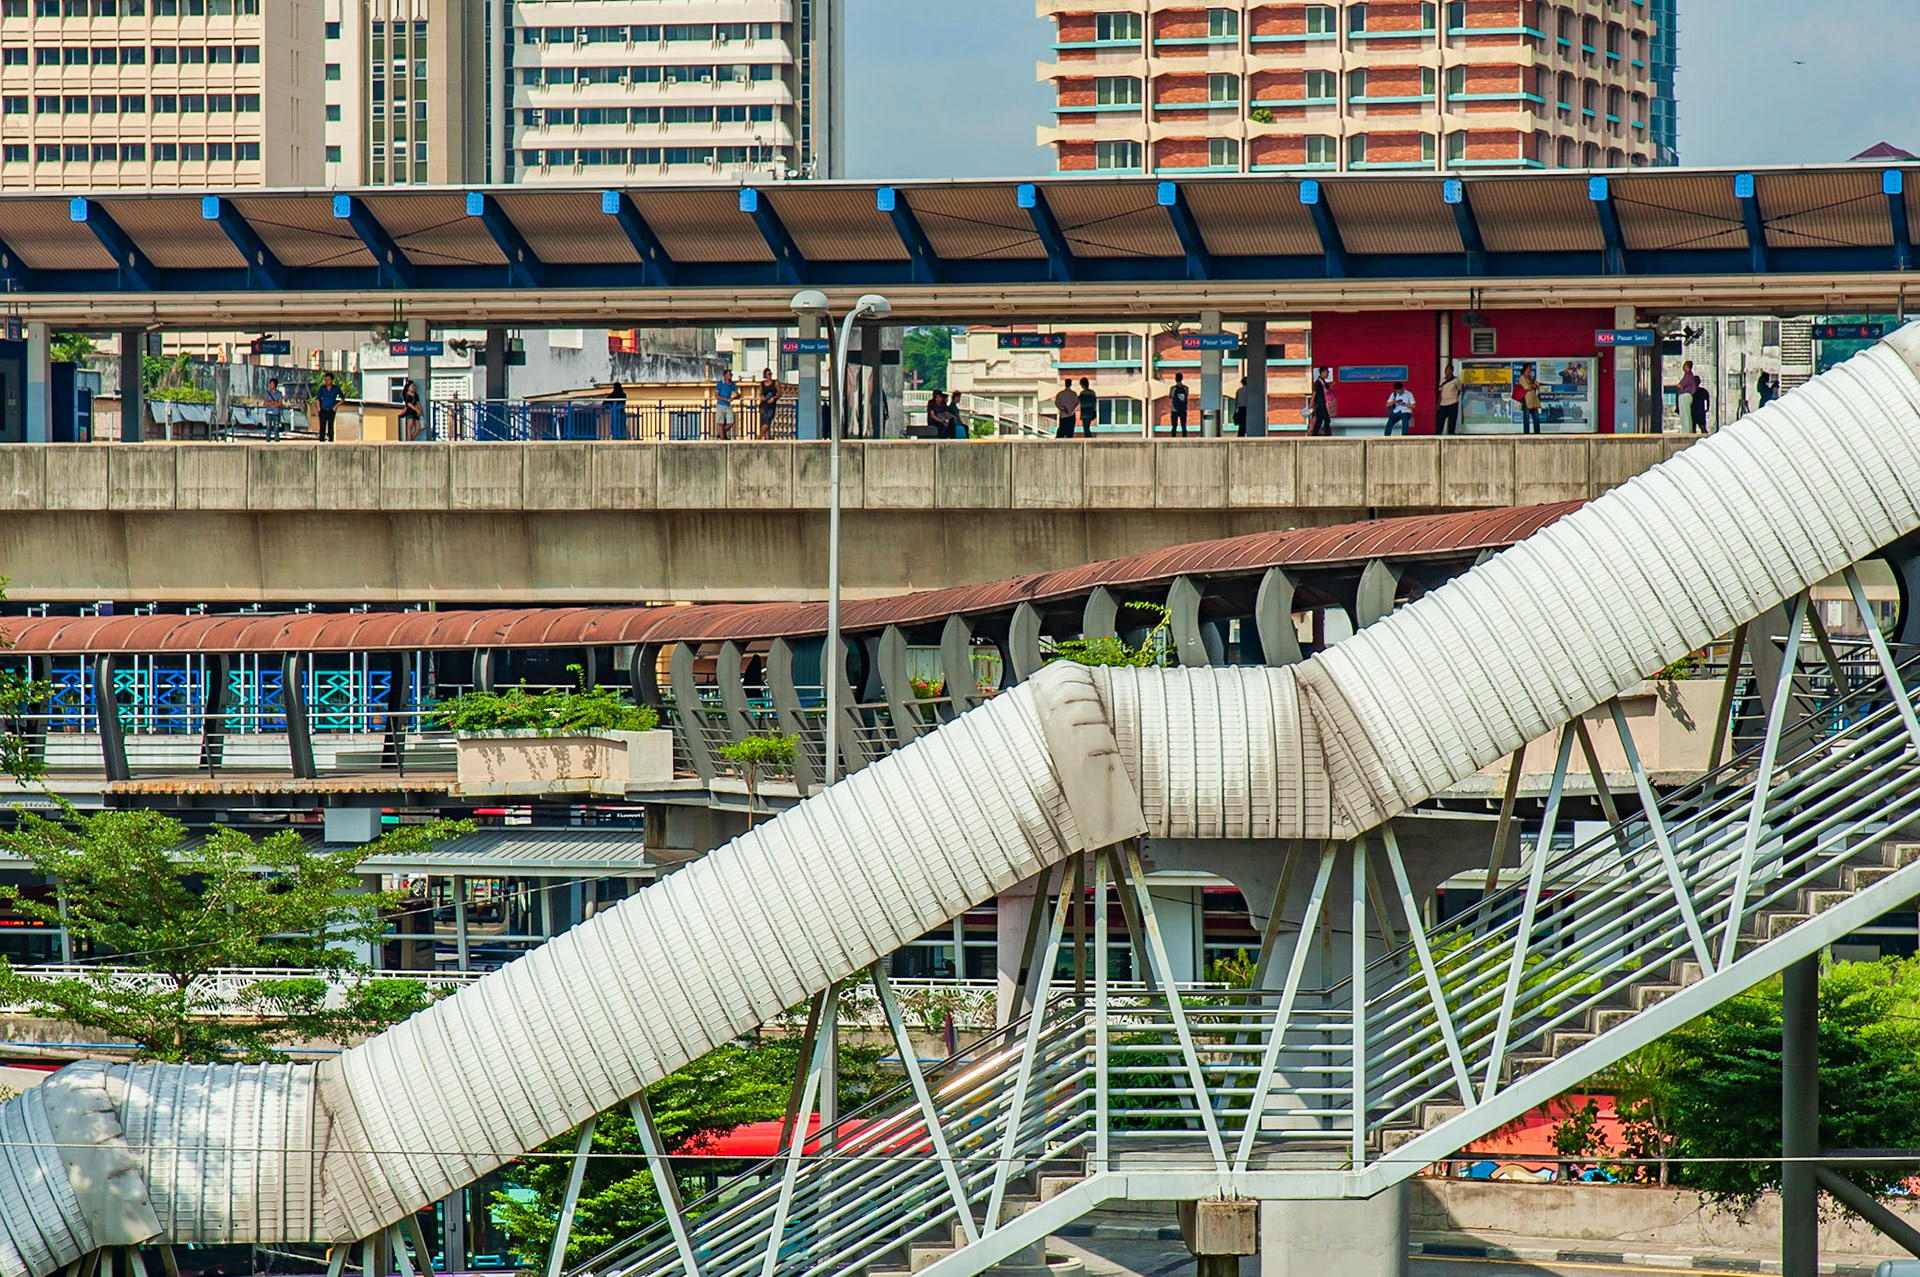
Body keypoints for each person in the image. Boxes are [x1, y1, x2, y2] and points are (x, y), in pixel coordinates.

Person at [1435, 367, 1462, 436]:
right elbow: (1440, 392)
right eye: (1445, 370)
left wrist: (1455, 397)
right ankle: (1438, 435)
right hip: (1443, 404)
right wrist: (1438, 403)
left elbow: (1459, 390)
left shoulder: (1456, 380)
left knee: (1452, 422)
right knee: (1440, 422)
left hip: (1452, 403)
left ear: (1451, 371)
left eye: (1447, 370)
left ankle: (1451, 435)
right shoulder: (1442, 380)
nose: (1446, 372)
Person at [315, 372, 340, 443]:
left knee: (330, 426)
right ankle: (321, 440)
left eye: (328, 379)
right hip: (323, 410)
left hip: (331, 410)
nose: (327, 381)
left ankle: (331, 440)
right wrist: (319, 408)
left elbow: (342, 399)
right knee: (322, 426)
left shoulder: (336, 388)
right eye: (326, 379)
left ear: (332, 380)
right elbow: (318, 399)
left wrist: (336, 406)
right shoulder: (322, 388)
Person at [1517, 364, 1542, 434]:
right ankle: (1526, 433)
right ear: (1526, 369)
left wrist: (1534, 384)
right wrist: (1533, 386)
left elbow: (1538, 384)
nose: (1531, 369)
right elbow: (1526, 387)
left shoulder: (1531, 378)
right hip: (1526, 399)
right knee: (1526, 417)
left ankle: (1537, 432)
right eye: (1529, 368)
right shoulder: (1522, 378)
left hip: (1533, 400)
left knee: (1536, 417)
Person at [1676, 359, 1700, 429]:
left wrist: (1679, 385)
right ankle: (1687, 429)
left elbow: (1681, 385)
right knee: (1686, 413)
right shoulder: (1688, 375)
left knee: (1685, 414)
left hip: (1685, 395)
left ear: (1687, 366)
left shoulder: (1688, 375)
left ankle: (1686, 429)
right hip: (1686, 395)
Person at [1309, 367, 1333, 436]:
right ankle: (1326, 434)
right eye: (1326, 373)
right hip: (1320, 404)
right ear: (1323, 372)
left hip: (1323, 403)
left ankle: (1315, 434)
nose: (1327, 375)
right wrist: (1312, 403)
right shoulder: (1318, 382)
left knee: (1319, 420)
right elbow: (1315, 392)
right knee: (1326, 419)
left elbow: (1328, 388)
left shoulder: (1323, 381)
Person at [714, 369, 737, 440]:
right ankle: (722, 437)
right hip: (721, 404)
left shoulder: (732, 384)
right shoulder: (720, 384)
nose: (730, 376)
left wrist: (733, 398)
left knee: (731, 423)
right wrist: (725, 399)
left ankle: (721, 433)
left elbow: (737, 393)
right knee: (721, 423)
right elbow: (717, 395)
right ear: (725, 375)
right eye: (729, 374)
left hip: (727, 405)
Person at [757, 367, 779, 440]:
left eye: (770, 374)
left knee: (767, 421)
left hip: (771, 406)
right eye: (768, 374)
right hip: (764, 405)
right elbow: (760, 393)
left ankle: (759, 436)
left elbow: (779, 394)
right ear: (765, 375)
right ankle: (767, 438)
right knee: (764, 422)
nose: (769, 376)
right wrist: (762, 396)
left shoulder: (775, 383)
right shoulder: (762, 384)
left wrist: (774, 398)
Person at [262, 378, 286, 442]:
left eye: (272, 384)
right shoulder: (268, 393)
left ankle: (277, 439)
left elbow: (280, 404)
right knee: (268, 427)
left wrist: (272, 404)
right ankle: (268, 439)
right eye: (270, 384)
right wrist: (273, 403)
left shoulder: (279, 393)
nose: (270, 385)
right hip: (269, 412)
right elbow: (265, 403)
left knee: (276, 427)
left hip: (276, 413)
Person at [1168, 372, 1190, 437]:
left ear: (1175, 379)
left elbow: (1171, 396)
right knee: (1183, 425)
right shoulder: (1186, 388)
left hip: (1174, 409)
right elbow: (1187, 395)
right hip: (1183, 409)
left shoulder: (1173, 388)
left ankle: (1173, 437)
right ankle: (1184, 437)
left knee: (1174, 425)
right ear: (1182, 379)